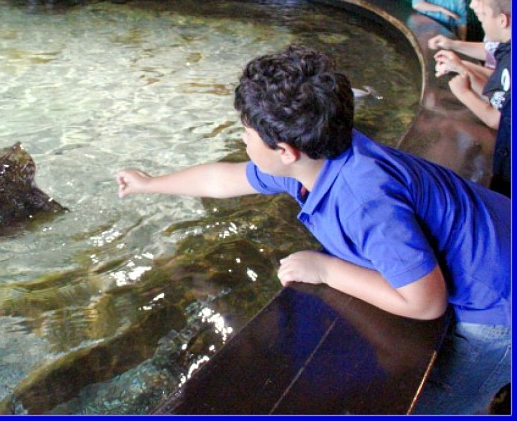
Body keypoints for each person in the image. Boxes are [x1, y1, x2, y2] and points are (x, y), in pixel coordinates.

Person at [116, 45, 510, 414]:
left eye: (246, 134)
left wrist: (326, 270)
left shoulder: (364, 201)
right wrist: (150, 183)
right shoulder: (319, 156)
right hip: (497, 233)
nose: (241, 139)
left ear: (285, 152)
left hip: (498, 306)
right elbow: (223, 180)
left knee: (442, 399)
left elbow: (426, 303)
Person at [436, 0, 511, 197]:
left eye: (485, 14)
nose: (482, 20)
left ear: (503, 20)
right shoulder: (505, 50)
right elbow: (497, 94)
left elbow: (497, 118)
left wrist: (464, 92)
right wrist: (461, 68)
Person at [428, 0, 511, 85]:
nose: (472, 5)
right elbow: (492, 50)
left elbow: (504, 84)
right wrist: (452, 44)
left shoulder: (497, 28)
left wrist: (462, 67)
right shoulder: (496, 29)